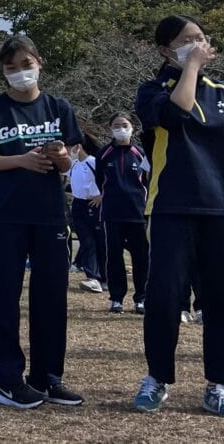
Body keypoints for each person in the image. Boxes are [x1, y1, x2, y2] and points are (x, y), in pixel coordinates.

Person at [131, 15, 224, 418]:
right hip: (173, 205)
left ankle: (219, 385)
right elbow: (176, 114)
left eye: (201, 39)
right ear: (165, 50)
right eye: (187, 41)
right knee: (164, 296)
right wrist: (189, 66)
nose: (199, 45)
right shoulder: (152, 90)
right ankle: (157, 378)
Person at [0, 35, 84, 409]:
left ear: (40, 61)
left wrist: (61, 157)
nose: (20, 73)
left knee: (51, 298)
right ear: (3, 72)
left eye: (25, 64)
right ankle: (9, 381)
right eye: (10, 68)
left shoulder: (58, 107)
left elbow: (69, 162)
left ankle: (48, 378)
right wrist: (21, 159)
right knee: (3, 297)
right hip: (6, 216)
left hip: (50, 214)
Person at [96, 114, 149, 314]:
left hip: (138, 213)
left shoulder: (141, 153)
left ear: (132, 127)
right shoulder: (104, 153)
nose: (121, 128)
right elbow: (99, 179)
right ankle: (116, 298)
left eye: (125, 125)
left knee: (141, 257)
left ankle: (141, 298)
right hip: (112, 212)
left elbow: (148, 181)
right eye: (117, 125)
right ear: (110, 128)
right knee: (114, 256)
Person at [68, 139, 105, 294]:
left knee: (98, 241)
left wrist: (101, 196)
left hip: (94, 204)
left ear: (79, 147)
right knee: (86, 239)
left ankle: (101, 276)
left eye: (70, 147)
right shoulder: (74, 165)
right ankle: (92, 276)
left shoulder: (94, 162)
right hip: (78, 205)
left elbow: (108, 180)